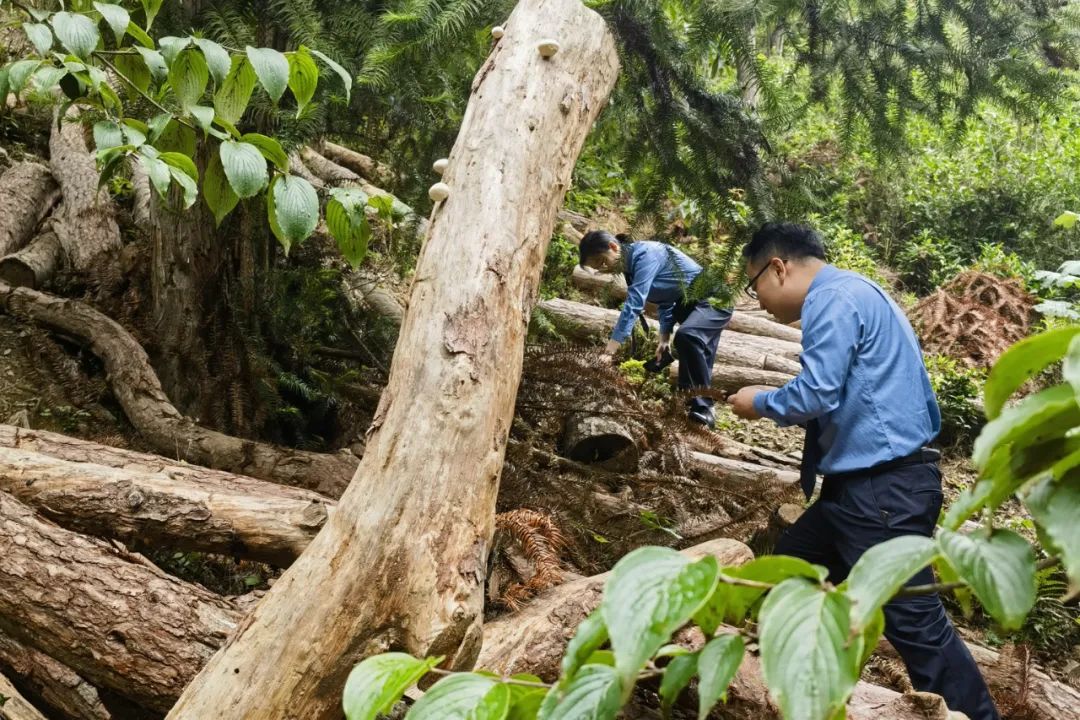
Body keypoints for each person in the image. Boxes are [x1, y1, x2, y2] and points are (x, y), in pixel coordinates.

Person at [727, 222, 1000, 720]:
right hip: (862, 491)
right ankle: (786, 693)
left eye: (754, 285)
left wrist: (758, 401)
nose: (759, 300)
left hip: (882, 492)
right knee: (790, 576)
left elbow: (817, 392)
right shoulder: (858, 292)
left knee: (915, 623)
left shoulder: (831, 300)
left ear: (778, 267)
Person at [578, 230, 732, 428]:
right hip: (687, 305)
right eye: (598, 268)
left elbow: (634, 305)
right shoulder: (630, 270)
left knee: (688, 337)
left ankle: (704, 409)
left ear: (614, 247)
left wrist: (609, 352)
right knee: (691, 349)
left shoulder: (646, 254)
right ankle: (692, 411)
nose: (604, 269)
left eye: (602, 262)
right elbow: (666, 302)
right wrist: (664, 339)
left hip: (713, 298)